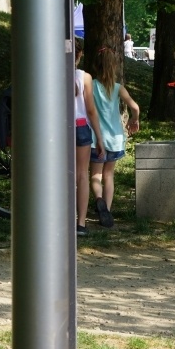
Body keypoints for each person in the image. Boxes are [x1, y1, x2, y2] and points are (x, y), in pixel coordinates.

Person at [90, 46, 140, 228]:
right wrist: (135, 120)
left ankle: (98, 199)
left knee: (95, 175)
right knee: (109, 175)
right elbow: (135, 107)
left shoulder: (92, 86)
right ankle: (107, 212)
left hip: (97, 139)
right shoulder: (118, 88)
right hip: (115, 138)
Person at [73, 38, 106, 236]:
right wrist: (99, 137)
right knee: (82, 175)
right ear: (80, 54)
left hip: (58, 130)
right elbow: (91, 110)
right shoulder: (84, 77)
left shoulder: (51, 72)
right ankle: (81, 223)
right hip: (80, 127)